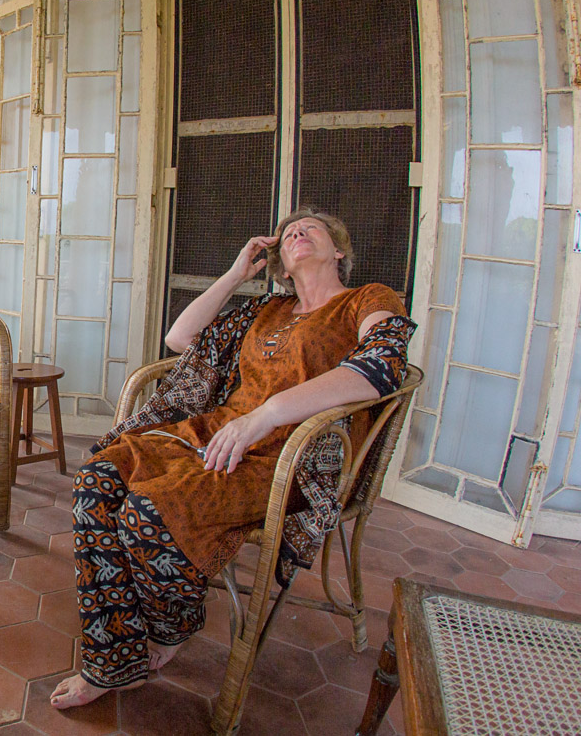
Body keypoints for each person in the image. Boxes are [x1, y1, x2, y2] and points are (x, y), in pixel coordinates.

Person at [50, 209, 416, 709]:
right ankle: (115, 659)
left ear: (338, 250)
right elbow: (180, 339)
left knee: (148, 512)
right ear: (280, 265)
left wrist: (266, 415)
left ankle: (171, 626)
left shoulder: (366, 299)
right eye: (288, 233)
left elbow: (381, 366)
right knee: (96, 482)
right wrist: (235, 274)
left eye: (311, 228)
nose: (297, 232)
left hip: (292, 456)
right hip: (219, 432)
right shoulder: (269, 309)